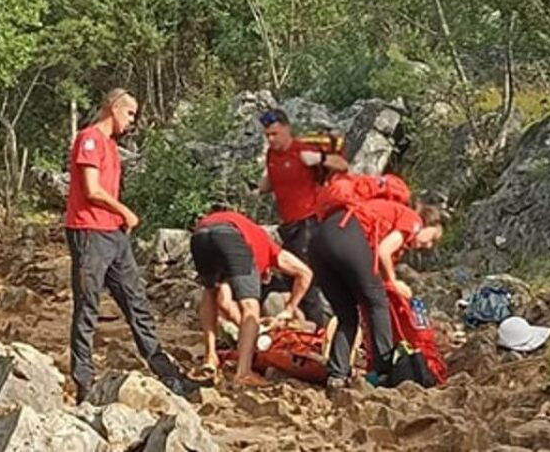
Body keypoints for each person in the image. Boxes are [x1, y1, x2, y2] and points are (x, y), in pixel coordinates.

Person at [65, 88, 201, 403]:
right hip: (89, 232)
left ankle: (168, 375)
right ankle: (84, 383)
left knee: (136, 302)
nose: (131, 121)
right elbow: (91, 189)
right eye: (129, 114)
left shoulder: (112, 147)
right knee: (87, 307)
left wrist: (120, 217)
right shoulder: (90, 139)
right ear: (113, 108)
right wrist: (124, 210)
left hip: (114, 234)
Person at [308, 199, 443, 392]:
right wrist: (394, 281)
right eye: (432, 238)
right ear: (427, 223)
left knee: (347, 315)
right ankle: (384, 371)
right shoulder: (413, 220)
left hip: (318, 241)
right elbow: (383, 251)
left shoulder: (382, 217)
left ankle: (336, 375)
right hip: (346, 234)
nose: (428, 245)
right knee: (378, 303)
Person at [190, 209, 314, 386]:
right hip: (230, 235)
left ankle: (210, 357)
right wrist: (288, 310)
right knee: (251, 306)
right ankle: (244, 372)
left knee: (210, 292)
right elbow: (305, 273)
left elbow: (223, 302)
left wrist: (244, 328)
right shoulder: (271, 251)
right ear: (269, 273)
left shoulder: (246, 237)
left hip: (200, 235)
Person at [256, 108, 347, 326]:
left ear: (287, 129)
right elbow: (271, 182)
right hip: (288, 226)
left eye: (275, 134)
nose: (271, 139)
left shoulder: (301, 149)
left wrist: (320, 158)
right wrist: (262, 185)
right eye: (267, 135)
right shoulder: (271, 155)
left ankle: (319, 331)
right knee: (290, 278)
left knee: (306, 279)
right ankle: (303, 326)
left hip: (307, 224)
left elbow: (342, 165)